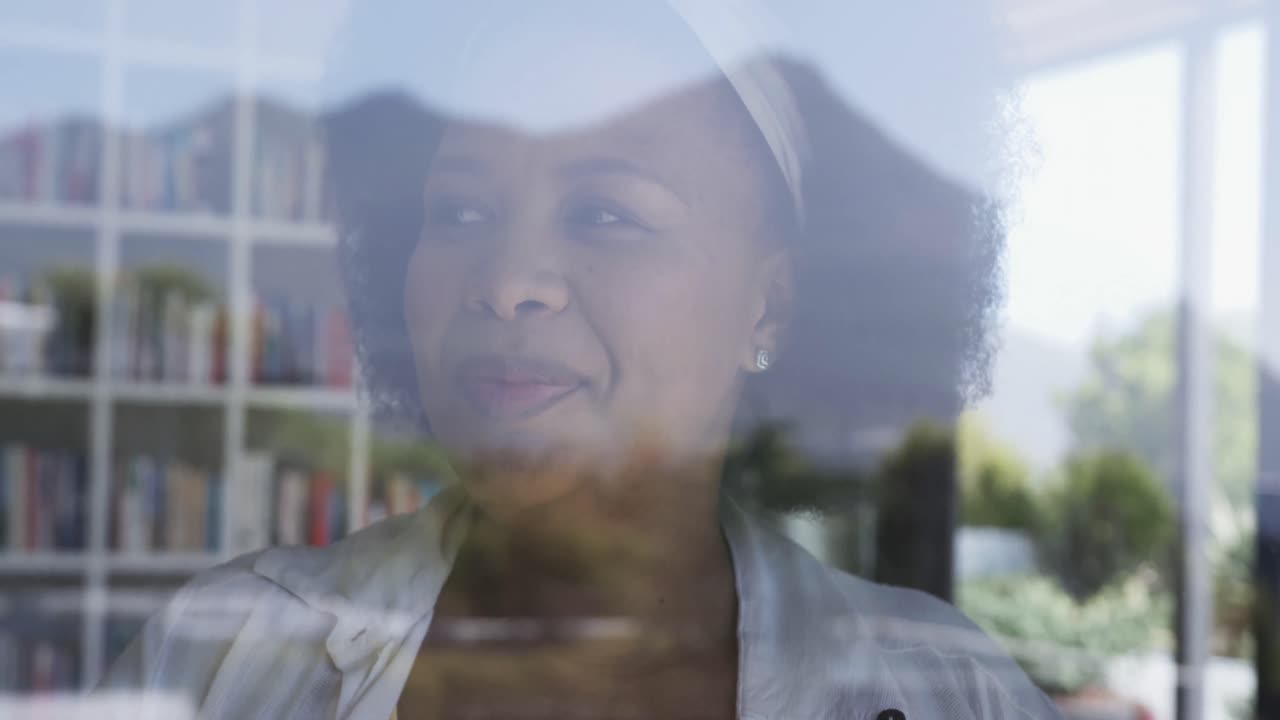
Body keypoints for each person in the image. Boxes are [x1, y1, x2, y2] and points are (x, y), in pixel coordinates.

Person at [100, 1, 1062, 718]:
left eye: (606, 213)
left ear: (770, 302)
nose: (507, 278)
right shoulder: (217, 663)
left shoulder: (947, 693)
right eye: (462, 211)